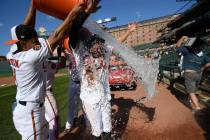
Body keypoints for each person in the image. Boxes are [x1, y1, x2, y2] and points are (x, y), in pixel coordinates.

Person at [5, 0, 99, 139]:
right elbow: (57, 34)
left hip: (24, 107)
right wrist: (76, 11)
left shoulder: (12, 52)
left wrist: (34, 5)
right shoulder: (31, 57)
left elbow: (26, 28)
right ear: (27, 42)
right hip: (30, 109)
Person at [176, 36, 210, 111]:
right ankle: (189, 100)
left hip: (189, 74)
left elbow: (177, 46)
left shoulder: (186, 50)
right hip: (198, 74)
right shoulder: (202, 53)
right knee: (193, 90)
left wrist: (182, 38)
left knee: (191, 92)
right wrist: (203, 67)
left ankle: (197, 108)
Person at [43, 56, 59, 140]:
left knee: (39, 121)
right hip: (44, 92)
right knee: (54, 119)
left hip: (30, 94)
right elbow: (56, 68)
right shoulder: (50, 56)